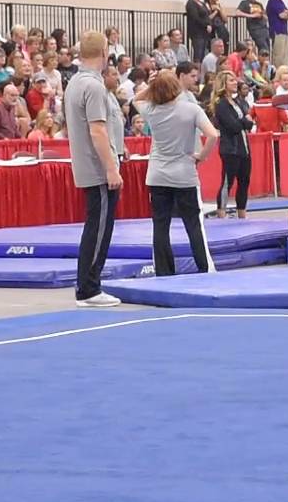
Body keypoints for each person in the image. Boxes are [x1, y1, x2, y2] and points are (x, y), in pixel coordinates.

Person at [135, 73, 219, 276]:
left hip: (157, 174)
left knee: (161, 224)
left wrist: (153, 85)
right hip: (184, 174)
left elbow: (136, 98)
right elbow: (213, 135)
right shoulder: (191, 110)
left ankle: (164, 271)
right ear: (177, 88)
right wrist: (202, 157)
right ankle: (203, 267)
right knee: (193, 223)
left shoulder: (152, 110)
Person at [64, 31, 125, 307]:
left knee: (95, 226)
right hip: (97, 167)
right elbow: (98, 131)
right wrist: (111, 169)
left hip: (87, 164)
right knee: (99, 228)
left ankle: (87, 284)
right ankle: (89, 287)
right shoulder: (94, 86)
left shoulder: (75, 82)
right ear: (103, 53)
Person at [210, 71, 253, 219]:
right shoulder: (221, 104)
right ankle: (221, 212)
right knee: (228, 182)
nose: (236, 83)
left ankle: (242, 213)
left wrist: (244, 122)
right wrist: (244, 121)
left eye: (235, 80)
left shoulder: (238, 102)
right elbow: (233, 126)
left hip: (244, 147)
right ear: (224, 84)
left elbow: (249, 122)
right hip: (231, 148)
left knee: (244, 181)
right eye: (231, 81)